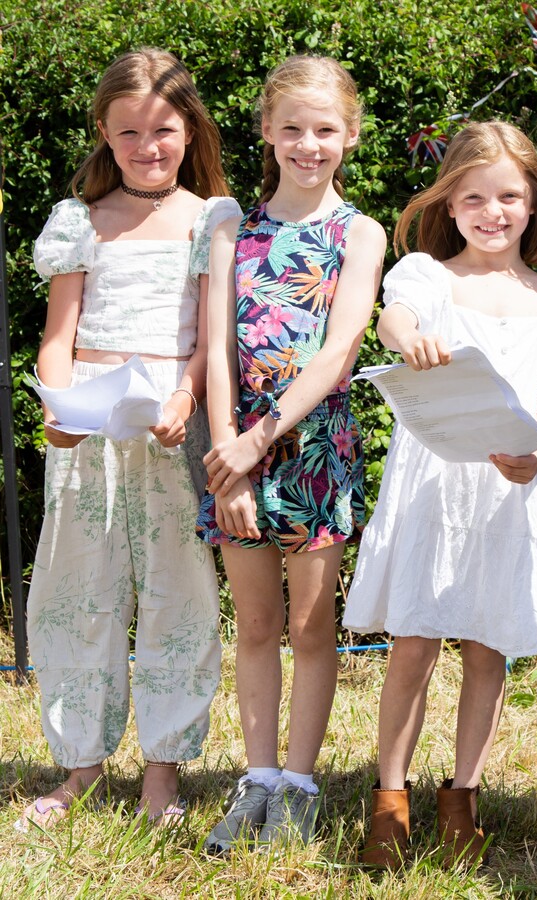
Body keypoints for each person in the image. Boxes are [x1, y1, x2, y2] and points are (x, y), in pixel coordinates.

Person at [342, 121, 537, 869]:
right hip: (433, 489)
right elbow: (393, 318)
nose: (492, 211)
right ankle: (389, 801)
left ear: (533, 203)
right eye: (473, 196)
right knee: (413, 643)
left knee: (487, 649)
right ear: (450, 202)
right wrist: (407, 334)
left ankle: (463, 799)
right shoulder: (427, 275)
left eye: (509, 195)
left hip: (510, 493)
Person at [16, 48, 240, 832]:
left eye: (164, 131)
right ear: (105, 137)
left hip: (170, 426)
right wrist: (61, 405)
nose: (148, 147)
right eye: (129, 133)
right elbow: (57, 336)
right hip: (88, 429)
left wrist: (185, 396)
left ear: (190, 130)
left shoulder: (211, 218)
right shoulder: (81, 220)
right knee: (78, 593)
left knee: (178, 592)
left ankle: (162, 769)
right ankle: (79, 762)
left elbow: (212, 341)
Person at [196, 55, 386, 853]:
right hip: (233, 456)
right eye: (293, 130)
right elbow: (213, 350)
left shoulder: (360, 232)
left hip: (313, 452)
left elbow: (338, 351)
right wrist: (226, 456)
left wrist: (258, 440)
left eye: (325, 130)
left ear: (349, 135)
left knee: (311, 628)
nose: (309, 145)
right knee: (255, 625)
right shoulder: (230, 227)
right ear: (267, 133)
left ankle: (302, 785)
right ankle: (258, 778)